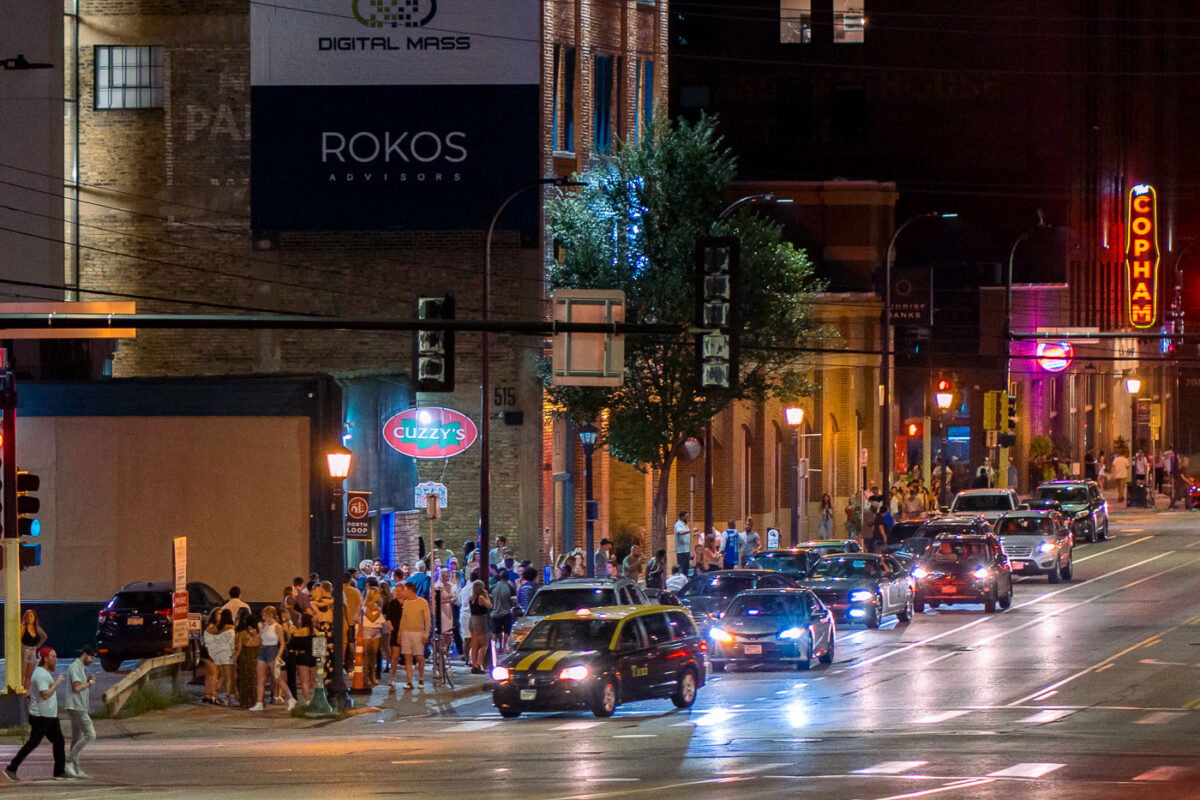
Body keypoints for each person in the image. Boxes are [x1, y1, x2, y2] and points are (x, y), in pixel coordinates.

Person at [5, 647, 68, 782]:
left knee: (58, 741)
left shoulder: (43, 672)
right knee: (33, 743)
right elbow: (45, 695)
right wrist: (57, 683)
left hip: (49, 716)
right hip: (42, 717)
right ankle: (11, 768)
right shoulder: (40, 675)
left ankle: (59, 771)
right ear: (45, 659)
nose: (56, 659)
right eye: (53, 657)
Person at [65, 645, 97, 779]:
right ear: (84, 655)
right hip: (77, 706)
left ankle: (75, 770)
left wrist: (87, 680)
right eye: (91, 658)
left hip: (77, 706)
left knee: (77, 738)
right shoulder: (75, 667)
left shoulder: (80, 668)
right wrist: (89, 683)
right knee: (91, 734)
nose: (92, 661)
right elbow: (77, 688)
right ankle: (68, 761)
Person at [399, 582, 431, 690]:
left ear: (410, 591)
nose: (404, 593)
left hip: (418, 632)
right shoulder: (406, 603)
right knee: (408, 657)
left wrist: (426, 633)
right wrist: (400, 633)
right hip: (406, 632)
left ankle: (421, 678)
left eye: (405, 591)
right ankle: (409, 680)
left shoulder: (423, 602)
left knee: (419, 657)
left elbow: (427, 619)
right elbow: (403, 619)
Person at [204, 609, 237, 706]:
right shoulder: (229, 628)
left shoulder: (218, 628)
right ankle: (226, 697)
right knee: (227, 677)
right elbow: (231, 642)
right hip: (226, 654)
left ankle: (214, 693)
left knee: (219, 675)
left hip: (218, 654)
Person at [287, 612, 317, 705]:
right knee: (314, 681)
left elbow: (293, 645)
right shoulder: (315, 632)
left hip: (302, 657)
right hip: (313, 657)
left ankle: (307, 700)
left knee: (304, 681)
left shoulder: (298, 632)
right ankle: (316, 698)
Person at [233, 609, 261, 708]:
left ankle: (245, 701)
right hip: (256, 659)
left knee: (244, 680)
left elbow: (239, 648)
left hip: (245, 659)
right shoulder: (260, 634)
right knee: (255, 680)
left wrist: (234, 660)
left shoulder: (243, 634)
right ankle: (256, 700)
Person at [359, 600, 386, 689]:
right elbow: (371, 618)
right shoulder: (365, 606)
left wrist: (377, 610)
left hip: (377, 629)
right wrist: (378, 611)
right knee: (367, 655)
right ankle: (366, 677)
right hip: (367, 629)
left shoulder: (377, 605)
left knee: (374, 655)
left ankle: (372, 676)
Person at [19, 609, 47, 692]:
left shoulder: (36, 627)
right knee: (23, 673)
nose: (29, 618)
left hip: (33, 651)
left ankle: (26, 691)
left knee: (29, 674)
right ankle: (20, 690)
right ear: (25, 617)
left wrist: (37, 646)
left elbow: (44, 636)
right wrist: (21, 648)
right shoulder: (23, 627)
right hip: (25, 650)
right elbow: (18, 639)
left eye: (31, 616)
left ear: (34, 618)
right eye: (27, 616)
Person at [467, 578, 491, 673]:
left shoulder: (471, 598)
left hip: (472, 620)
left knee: (475, 645)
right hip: (481, 621)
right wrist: (487, 595)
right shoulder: (481, 598)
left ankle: (474, 664)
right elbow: (489, 605)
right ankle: (479, 664)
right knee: (484, 644)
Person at [489, 568, 516, 652]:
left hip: (495, 613)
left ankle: (494, 649)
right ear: (508, 577)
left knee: (496, 632)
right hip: (506, 612)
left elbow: (490, 600)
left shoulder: (493, 587)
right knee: (506, 631)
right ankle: (504, 647)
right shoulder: (510, 587)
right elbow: (514, 601)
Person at [673, 511, 693, 575]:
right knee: (682, 568)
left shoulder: (685, 525)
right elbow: (680, 532)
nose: (687, 518)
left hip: (686, 550)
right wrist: (690, 531)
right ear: (682, 517)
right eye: (686, 516)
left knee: (687, 568)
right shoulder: (678, 524)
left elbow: (686, 534)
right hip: (682, 551)